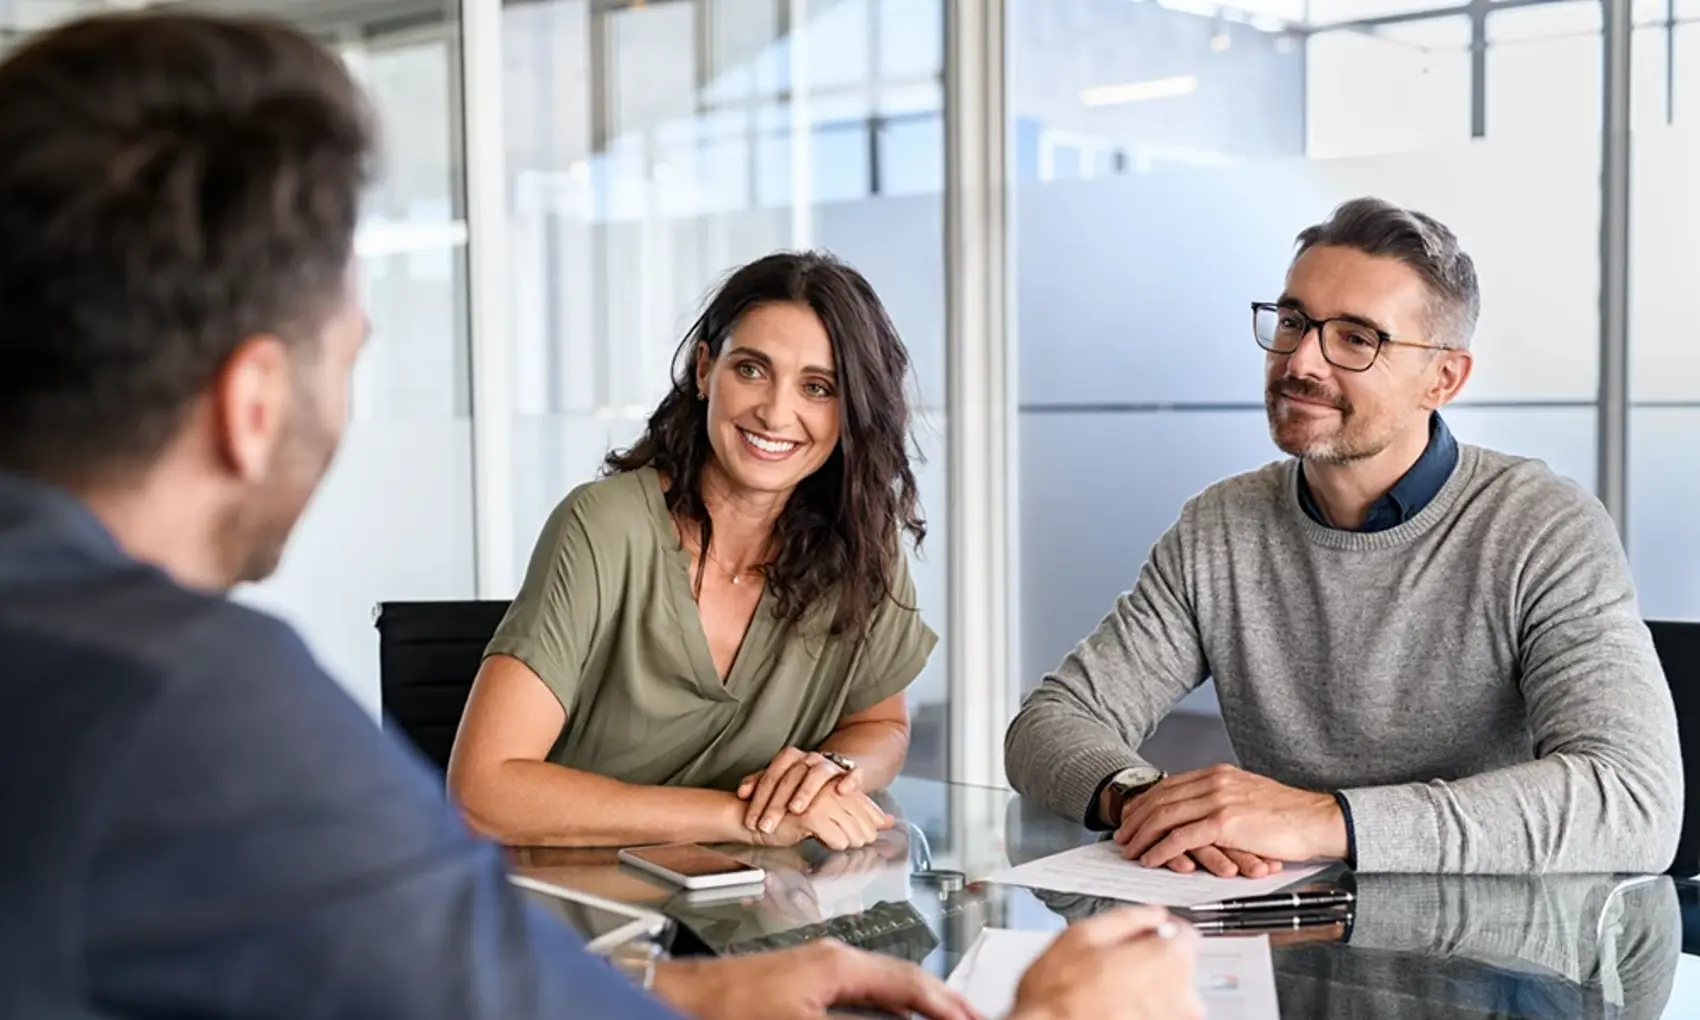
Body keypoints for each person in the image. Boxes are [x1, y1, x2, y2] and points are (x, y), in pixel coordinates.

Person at [0, 11, 1208, 1020]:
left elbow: (454, 990)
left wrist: (727, 971)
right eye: (351, 344)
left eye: (818, 387)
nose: (776, 409)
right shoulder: (199, 712)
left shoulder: (83, 664)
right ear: (253, 401)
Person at [1005, 197, 1683, 877]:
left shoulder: (1541, 528)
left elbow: (1631, 800)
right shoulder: (1219, 527)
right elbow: (1050, 723)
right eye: (1294, 321)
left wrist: (1322, 818)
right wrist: (1146, 801)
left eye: (1357, 338)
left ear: (1442, 378)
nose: (1302, 362)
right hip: (1281, 938)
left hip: (1497, 957)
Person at [449, 252, 936, 851]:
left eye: (817, 387)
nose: (776, 411)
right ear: (705, 370)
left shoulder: (863, 542)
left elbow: (879, 723)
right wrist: (744, 820)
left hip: (752, 918)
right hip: (573, 911)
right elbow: (483, 792)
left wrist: (832, 771)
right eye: (752, 370)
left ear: (850, 409)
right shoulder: (604, 526)